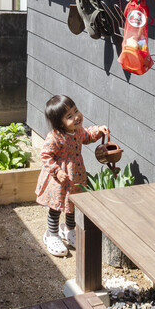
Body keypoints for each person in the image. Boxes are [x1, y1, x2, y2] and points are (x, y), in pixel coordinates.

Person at [35, 94, 108, 257]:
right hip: (59, 181)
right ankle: (51, 235)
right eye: (69, 116)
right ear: (59, 122)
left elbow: (88, 136)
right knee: (56, 207)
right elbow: (45, 155)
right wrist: (57, 171)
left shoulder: (78, 131)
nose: (76, 117)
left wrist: (98, 131)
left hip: (76, 177)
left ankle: (69, 230)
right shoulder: (55, 137)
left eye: (76, 111)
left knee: (72, 205)